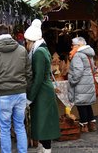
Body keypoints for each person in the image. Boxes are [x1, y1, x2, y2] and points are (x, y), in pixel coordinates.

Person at [0, 24, 32, 153]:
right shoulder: (21, 50)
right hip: (20, 92)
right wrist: (25, 88)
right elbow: (29, 73)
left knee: (4, 129)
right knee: (20, 126)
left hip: (2, 94)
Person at [24, 19, 60, 153]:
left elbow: (38, 77)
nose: (26, 44)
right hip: (44, 90)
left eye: (27, 42)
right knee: (42, 121)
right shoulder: (42, 49)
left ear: (31, 41)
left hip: (42, 92)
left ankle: (46, 149)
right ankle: (44, 148)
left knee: (43, 122)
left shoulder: (38, 53)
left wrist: (30, 97)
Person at [67, 36, 97, 133]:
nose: (72, 47)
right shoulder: (88, 54)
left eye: (73, 45)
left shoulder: (77, 55)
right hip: (87, 82)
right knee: (87, 104)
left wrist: (72, 80)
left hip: (80, 84)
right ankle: (92, 124)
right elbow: (93, 69)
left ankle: (84, 126)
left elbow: (78, 71)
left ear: (79, 45)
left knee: (81, 105)